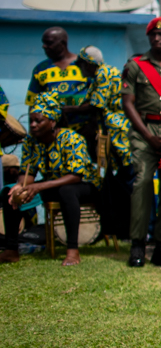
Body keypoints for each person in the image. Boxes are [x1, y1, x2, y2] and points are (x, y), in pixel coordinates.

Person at [2, 95, 101, 267]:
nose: (33, 125)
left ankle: (72, 251)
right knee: (8, 191)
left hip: (83, 185)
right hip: (51, 185)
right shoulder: (32, 143)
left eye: (38, 121)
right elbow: (28, 174)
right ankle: (11, 250)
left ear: (52, 122)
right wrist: (20, 187)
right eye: (31, 120)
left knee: (67, 191)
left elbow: (75, 175)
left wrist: (38, 186)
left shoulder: (72, 139)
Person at [121, 17, 161, 268]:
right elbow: (128, 103)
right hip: (143, 130)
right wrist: (149, 137)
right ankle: (138, 243)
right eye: (153, 35)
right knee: (143, 184)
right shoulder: (135, 66)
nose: (157, 38)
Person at [28, 27, 94, 138]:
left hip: (84, 131)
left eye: (49, 43)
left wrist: (93, 126)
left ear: (62, 43)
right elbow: (33, 103)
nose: (44, 46)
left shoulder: (85, 65)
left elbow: (98, 98)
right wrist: (33, 131)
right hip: (52, 135)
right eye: (43, 43)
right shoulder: (40, 69)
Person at [75, 47, 132, 170]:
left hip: (116, 127)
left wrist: (68, 109)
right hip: (110, 128)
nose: (79, 68)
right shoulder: (102, 73)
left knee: (124, 167)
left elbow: (96, 104)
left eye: (80, 64)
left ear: (88, 64)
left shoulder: (103, 73)